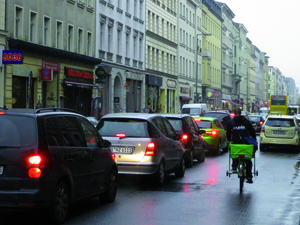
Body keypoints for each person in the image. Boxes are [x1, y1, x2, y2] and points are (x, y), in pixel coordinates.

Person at [226, 107, 256, 183]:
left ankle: (234, 167)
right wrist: (254, 140)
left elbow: (228, 133)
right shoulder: (246, 122)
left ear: (234, 113)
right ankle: (249, 176)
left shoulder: (231, 122)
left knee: (233, 153)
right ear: (241, 112)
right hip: (245, 144)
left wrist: (229, 139)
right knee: (248, 161)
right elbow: (252, 132)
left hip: (235, 143)